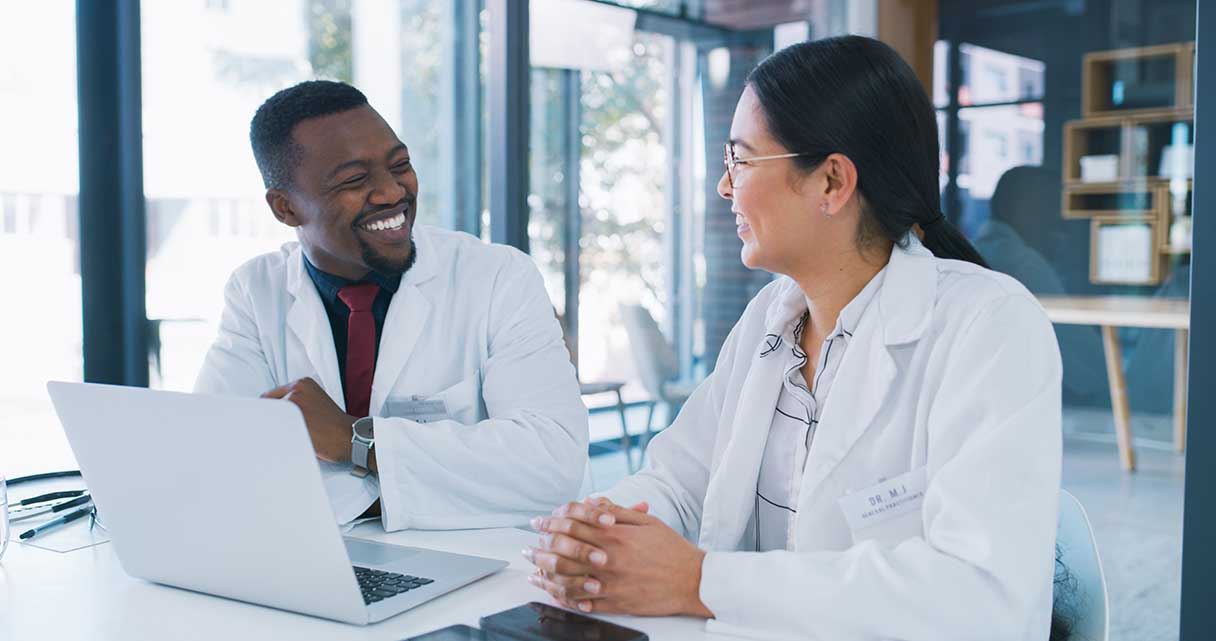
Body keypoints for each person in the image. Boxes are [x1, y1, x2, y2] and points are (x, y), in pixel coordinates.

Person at [524, 36, 1064, 640]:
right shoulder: (769, 321)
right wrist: (600, 532)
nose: (725, 188)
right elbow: (678, 482)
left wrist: (699, 582)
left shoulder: (989, 327)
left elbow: (982, 599)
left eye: (741, 161)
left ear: (832, 181)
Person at [194, 80, 588, 531]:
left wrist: (354, 441)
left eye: (399, 165)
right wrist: (428, 473)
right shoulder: (255, 290)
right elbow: (217, 457)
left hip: (476, 565)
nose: (391, 193)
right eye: (355, 180)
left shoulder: (498, 278)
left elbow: (551, 465)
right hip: (311, 558)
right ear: (285, 208)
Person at [974, 165, 1106, 405]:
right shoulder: (1023, 264)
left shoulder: (977, 252)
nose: (1058, 222)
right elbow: (1090, 363)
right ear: (1018, 209)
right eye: (1049, 208)